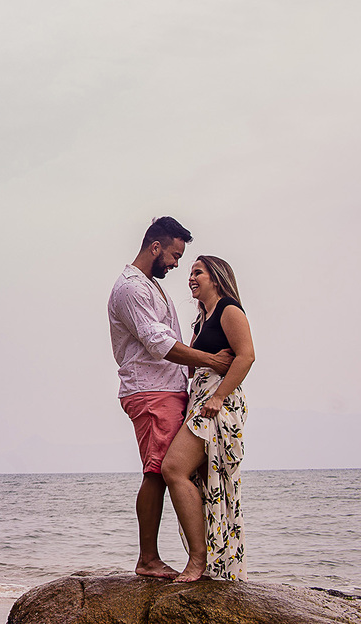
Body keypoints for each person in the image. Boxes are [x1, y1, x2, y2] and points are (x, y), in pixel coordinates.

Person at [107, 217, 234, 579]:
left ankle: (179, 555)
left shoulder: (148, 285)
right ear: (155, 247)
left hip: (165, 388)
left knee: (165, 472)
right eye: (175, 256)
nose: (177, 265)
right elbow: (158, 343)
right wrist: (211, 360)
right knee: (158, 473)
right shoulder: (132, 288)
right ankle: (149, 559)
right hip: (150, 391)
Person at [161, 256, 255, 582]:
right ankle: (210, 563)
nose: (191, 277)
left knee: (173, 469)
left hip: (218, 403)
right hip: (199, 400)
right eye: (189, 272)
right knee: (203, 483)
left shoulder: (229, 309)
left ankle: (197, 562)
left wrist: (217, 397)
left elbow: (247, 356)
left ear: (216, 277)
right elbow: (193, 366)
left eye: (197, 272)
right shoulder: (201, 319)